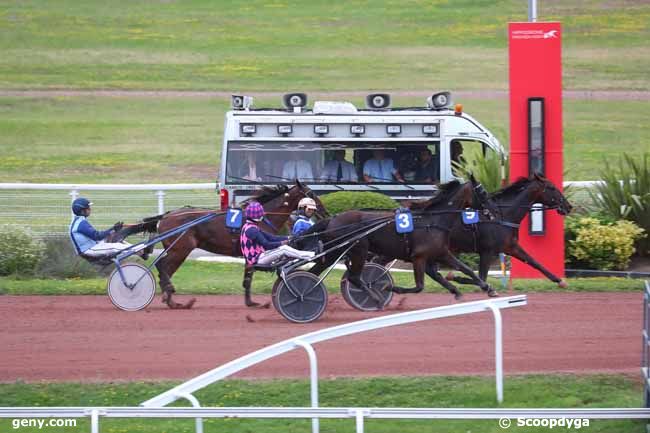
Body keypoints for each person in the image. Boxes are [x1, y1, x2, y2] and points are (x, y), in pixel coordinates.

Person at [240, 202, 314, 266]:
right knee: (284, 249)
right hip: (256, 259)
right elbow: (266, 245)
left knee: (283, 250)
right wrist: (282, 243)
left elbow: (271, 237)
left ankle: (305, 256)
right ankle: (310, 255)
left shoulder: (249, 226)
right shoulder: (252, 230)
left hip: (258, 257)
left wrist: (289, 238)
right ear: (257, 216)